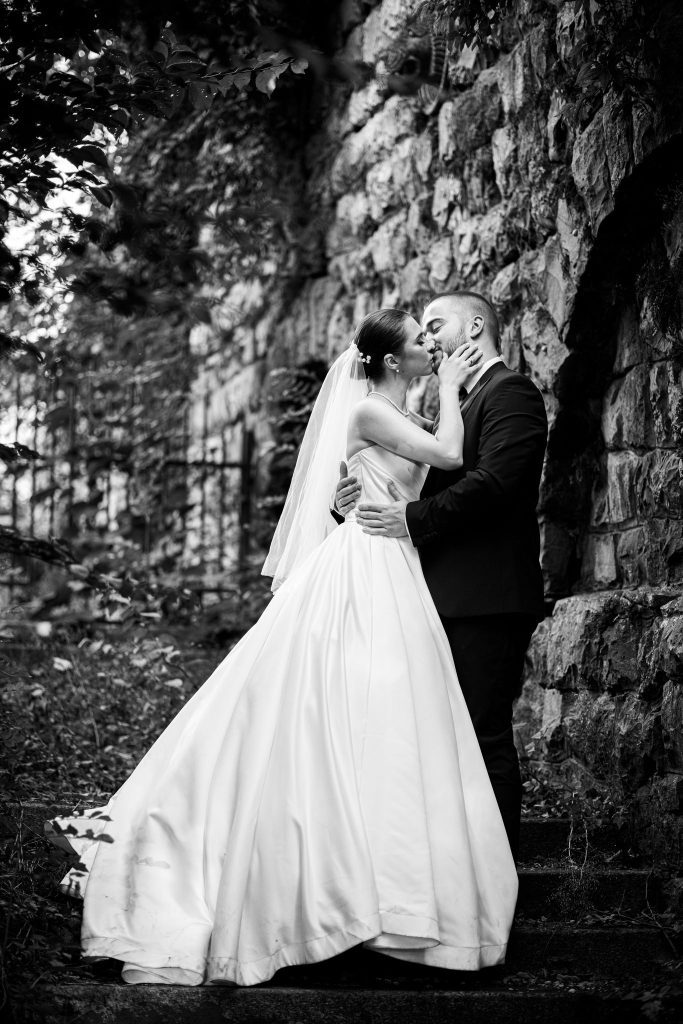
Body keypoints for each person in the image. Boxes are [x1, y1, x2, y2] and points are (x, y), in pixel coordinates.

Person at [47, 308, 518, 988]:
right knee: (321, 702)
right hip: (364, 565)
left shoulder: (398, 422)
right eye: (419, 340)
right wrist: (448, 389)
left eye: (431, 336)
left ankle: (387, 895)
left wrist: (351, 490)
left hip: (396, 565)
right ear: (390, 362)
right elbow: (448, 455)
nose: (428, 346)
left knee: (384, 715)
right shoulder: (369, 414)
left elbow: (423, 472)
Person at [335, 293, 548, 862]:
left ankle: (499, 876)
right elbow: (401, 476)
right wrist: (348, 500)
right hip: (430, 592)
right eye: (419, 332)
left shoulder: (512, 395)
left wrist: (408, 518)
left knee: (483, 735)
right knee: (438, 736)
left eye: (436, 324)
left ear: (474, 326)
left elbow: (494, 485)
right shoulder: (447, 406)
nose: (428, 338)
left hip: (486, 596)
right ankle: (450, 869)